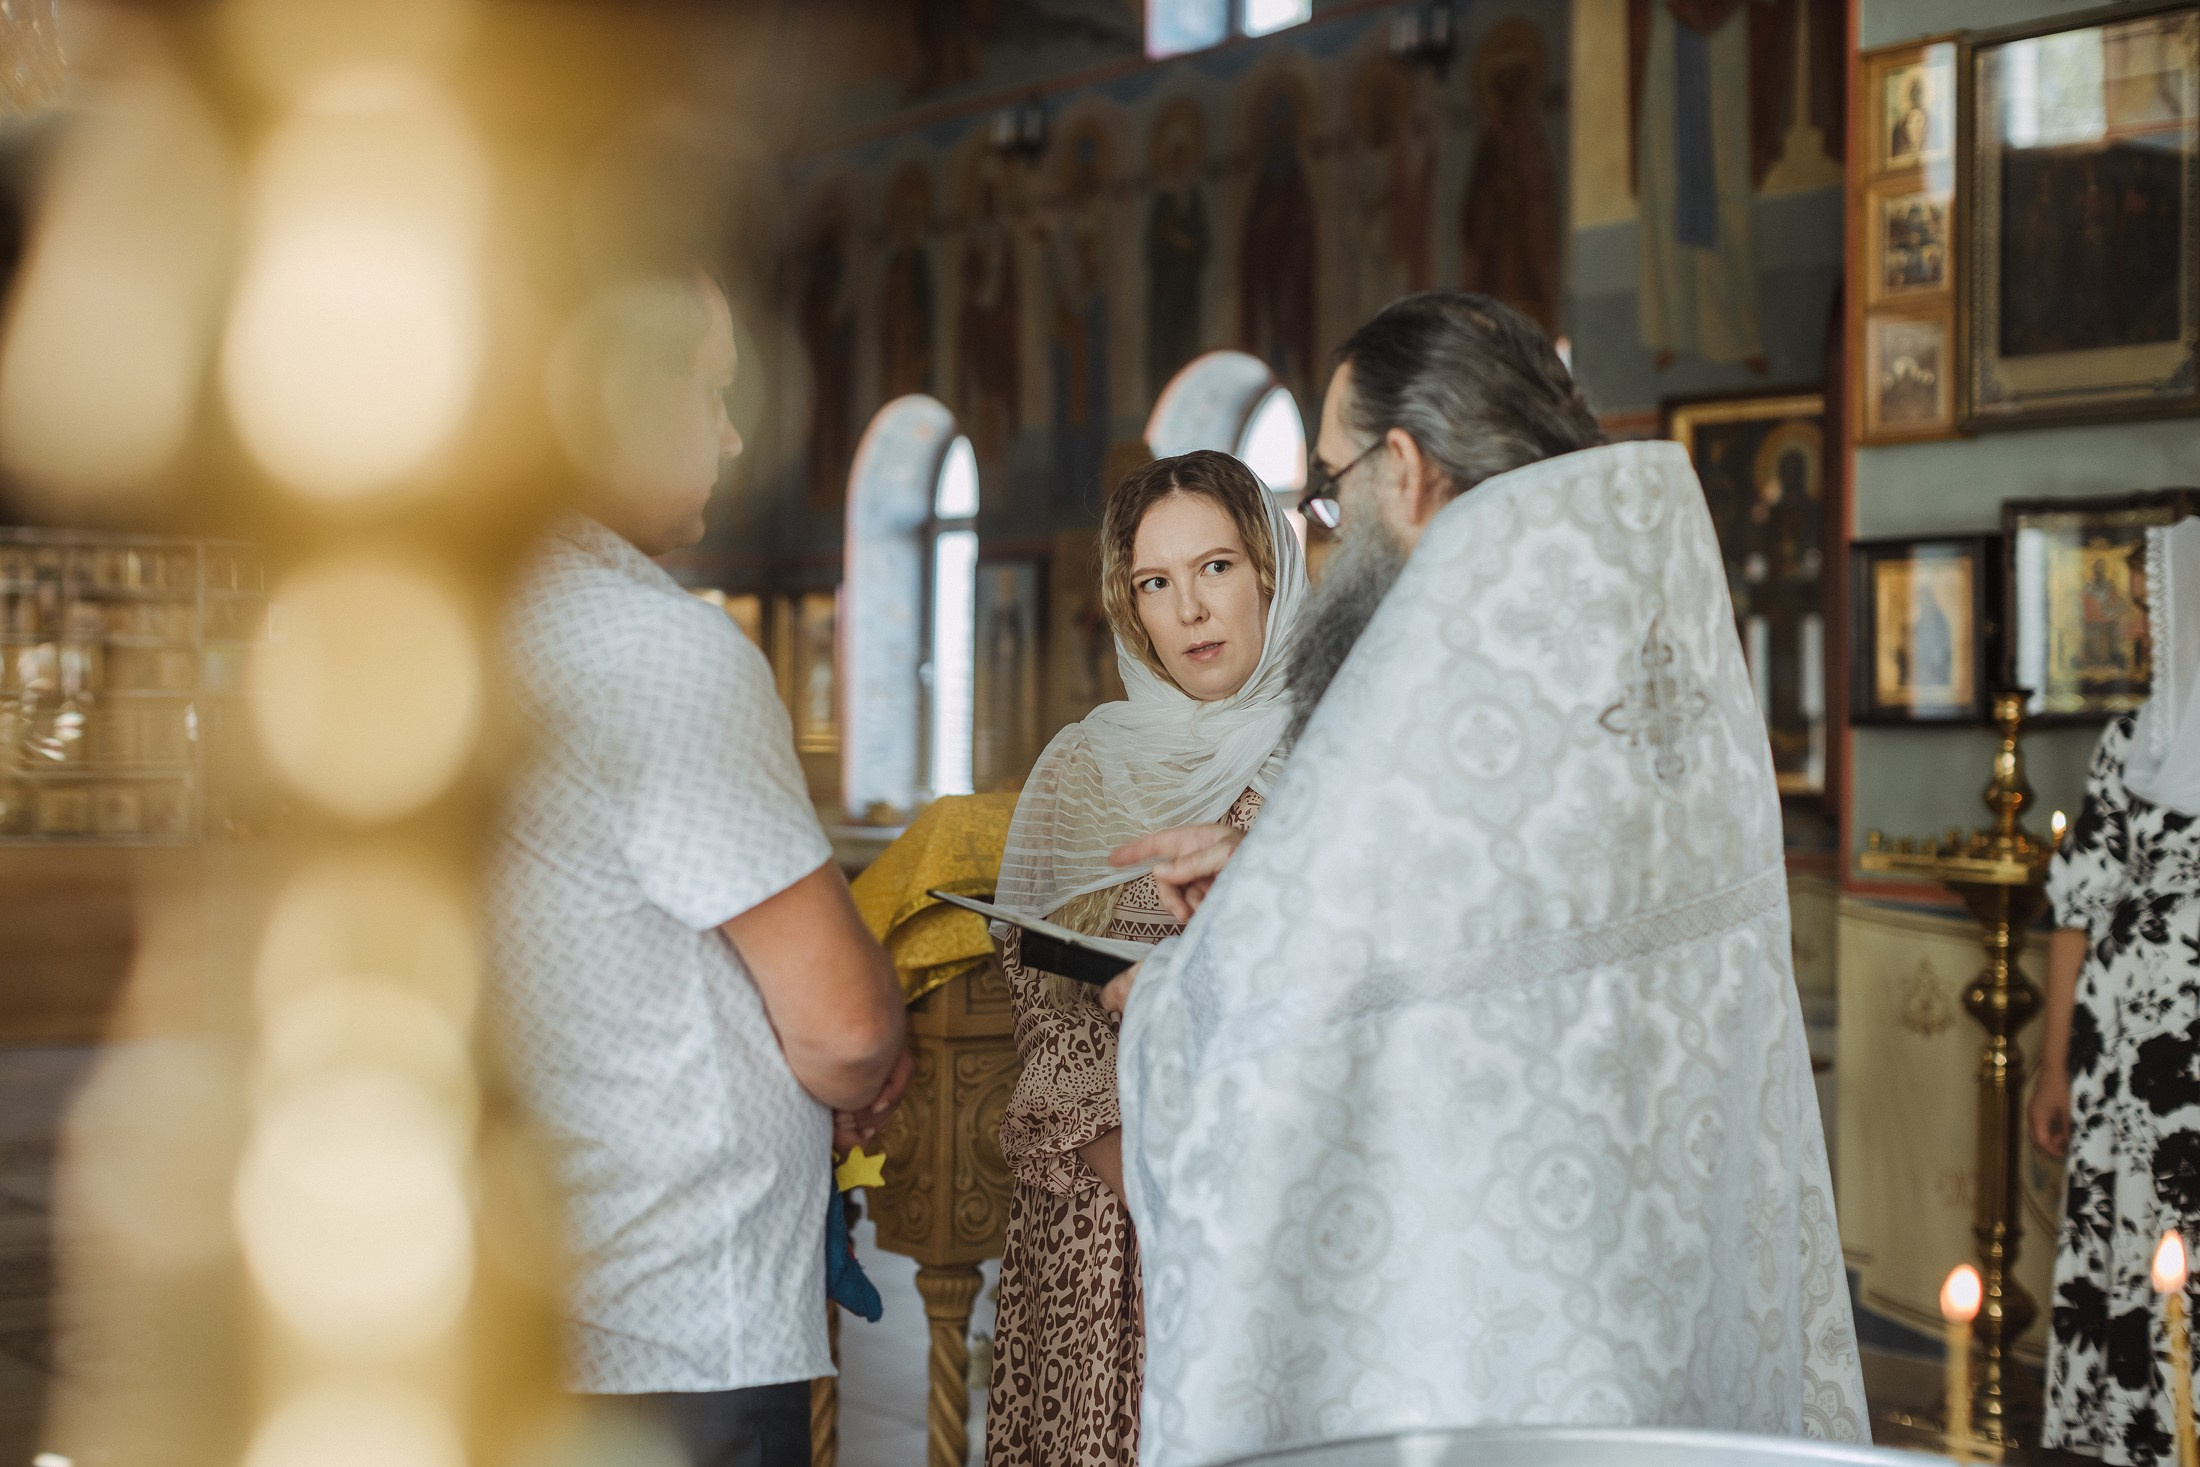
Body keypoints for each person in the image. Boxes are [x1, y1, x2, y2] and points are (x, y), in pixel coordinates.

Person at [1101, 292, 1867, 1464]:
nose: (1330, 522)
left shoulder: (1439, 675)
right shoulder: (1651, 633)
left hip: (1491, 1349)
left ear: (1402, 470)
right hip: (1669, 1297)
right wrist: (1274, 866)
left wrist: (1154, 1000)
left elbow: (1247, 1029)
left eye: (1327, 486)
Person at [490, 272, 911, 1467]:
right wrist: (873, 1052)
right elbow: (842, 1028)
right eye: (713, 393)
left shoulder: (466, 623)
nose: (731, 433)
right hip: (678, 1321)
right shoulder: (658, 655)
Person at [985, 450, 1309, 1466]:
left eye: (1215, 568)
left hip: (1270, 1214)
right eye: (1155, 585)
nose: (1191, 612)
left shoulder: (1337, 755)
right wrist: (1131, 1169)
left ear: (1269, 569)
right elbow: (1043, 996)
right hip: (1096, 1220)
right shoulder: (1084, 765)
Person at [2030, 516, 2200, 1467]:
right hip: (2120, 1069)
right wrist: (2054, 1067)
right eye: (2142, 611)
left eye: (2153, 610)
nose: (2143, 631)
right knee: (2127, 1253)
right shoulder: (2127, 743)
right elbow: (2075, 911)